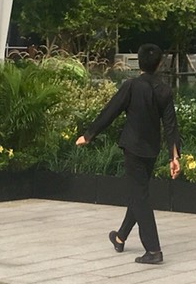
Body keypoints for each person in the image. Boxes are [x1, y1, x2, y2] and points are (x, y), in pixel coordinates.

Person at [75, 44, 180, 265]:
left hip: (133, 149)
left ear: (138, 63)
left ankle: (153, 250)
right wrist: (174, 156)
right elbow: (171, 126)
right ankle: (120, 237)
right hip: (151, 150)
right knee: (138, 192)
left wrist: (89, 134)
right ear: (159, 64)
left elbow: (110, 111)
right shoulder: (164, 90)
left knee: (139, 196)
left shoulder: (131, 86)